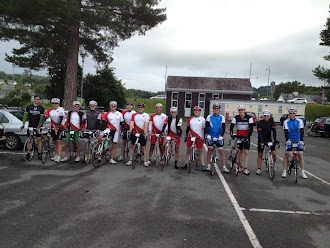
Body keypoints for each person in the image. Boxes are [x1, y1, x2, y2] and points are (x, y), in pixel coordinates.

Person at [282, 107, 307, 179]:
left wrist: (301, 140)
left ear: (295, 113)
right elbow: (286, 131)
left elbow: (302, 131)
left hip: (298, 140)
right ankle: (284, 171)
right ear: (288, 114)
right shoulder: (286, 121)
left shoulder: (300, 121)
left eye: (293, 113)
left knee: (300, 155)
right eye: (290, 113)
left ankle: (302, 172)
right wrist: (287, 140)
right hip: (290, 140)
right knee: (287, 155)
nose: (292, 114)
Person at [230, 105, 254, 175]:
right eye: (240, 110)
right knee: (240, 151)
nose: (241, 111)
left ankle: (245, 168)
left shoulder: (249, 118)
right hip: (239, 136)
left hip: (246, 137)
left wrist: (247, 137)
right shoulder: (236, 118)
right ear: (238, 111)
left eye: (242, 110)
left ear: (244, 111)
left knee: (246, 152)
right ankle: (240, 166)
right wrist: (232, 135)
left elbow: (251, 128)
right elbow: (231, 127)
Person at [205, 103, 229, 173]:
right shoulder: (209, 117)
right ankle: (209, 165)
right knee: (209, 150)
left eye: (217, 108)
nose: (216, 110)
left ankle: (224, 167)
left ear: (219, 110)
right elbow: (207, 127)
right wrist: (208, 135)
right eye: (215, 108)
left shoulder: (222, 117)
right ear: (213, 109)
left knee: (221, 151)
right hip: (211, 136)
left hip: (219, 137)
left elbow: (223, 128)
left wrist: (221, 136)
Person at [20, 94, 45, 160]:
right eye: (36, 99)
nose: (37, 100)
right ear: (34, 99)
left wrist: (39, 126)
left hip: (38, 125)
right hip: (30, 125)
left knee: (38, 139)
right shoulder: (29, 107)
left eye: (38, 99)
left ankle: (39, 153)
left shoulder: (41, 108)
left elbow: (42, 118)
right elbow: (25, 116)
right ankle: (28, 153)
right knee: (29, 139)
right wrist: (23, 124)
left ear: (40, 100)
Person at [40, 98, 65, 162]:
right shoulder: (49, 110)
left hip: (60, 127)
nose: (54, 104)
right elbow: (45, 117)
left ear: (58, 104)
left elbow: (61, 118)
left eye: (56, 103)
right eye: (53, 103)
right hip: (53, 127)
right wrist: (40, 125)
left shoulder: (61, 109)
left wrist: (58, 127)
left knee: (59, 141)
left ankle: (59, 156)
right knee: (54, 142)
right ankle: (56, 154)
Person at [126, 102, 150, 167]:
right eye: (139, 107)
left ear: (143, 108)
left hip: (142, 133)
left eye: (141, 107)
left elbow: (146, 124)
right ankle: (130, 160)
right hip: (135, 133)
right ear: (137, 108)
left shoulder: (146, 115)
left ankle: (145, 161)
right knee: (133, 147)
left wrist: (145, 132)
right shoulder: (134, 115)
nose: (140, 108)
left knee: (144, 148)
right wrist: (130, 131)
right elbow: (131, 123)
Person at [183, 106, 206, 170]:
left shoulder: (202, 119)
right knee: (188, 150)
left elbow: (204, 129)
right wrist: (186, 136)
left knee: (200, 151)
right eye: (195, 110)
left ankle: (203, 165)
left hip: (199, 137)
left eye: (198, 110)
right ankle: (186, 163)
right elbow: (187, 129)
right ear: (193, 111)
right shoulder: (190, 119)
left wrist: (203, 137)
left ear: (200, 111)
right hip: (191, 136)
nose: (196, 111)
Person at [256, 110, 279, 175]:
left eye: (267, 115)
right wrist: (261, 141)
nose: (266, 117)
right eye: (265, 115)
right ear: (263, 116)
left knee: (274, 154)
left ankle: (273, 165)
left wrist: (275, 140)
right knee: (260, 155)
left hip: (269, 140)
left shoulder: (271, 122)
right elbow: (259, 133)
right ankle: (259, 169)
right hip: (261, 139)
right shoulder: (260, 123)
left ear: (269, 116)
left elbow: (274, 132)